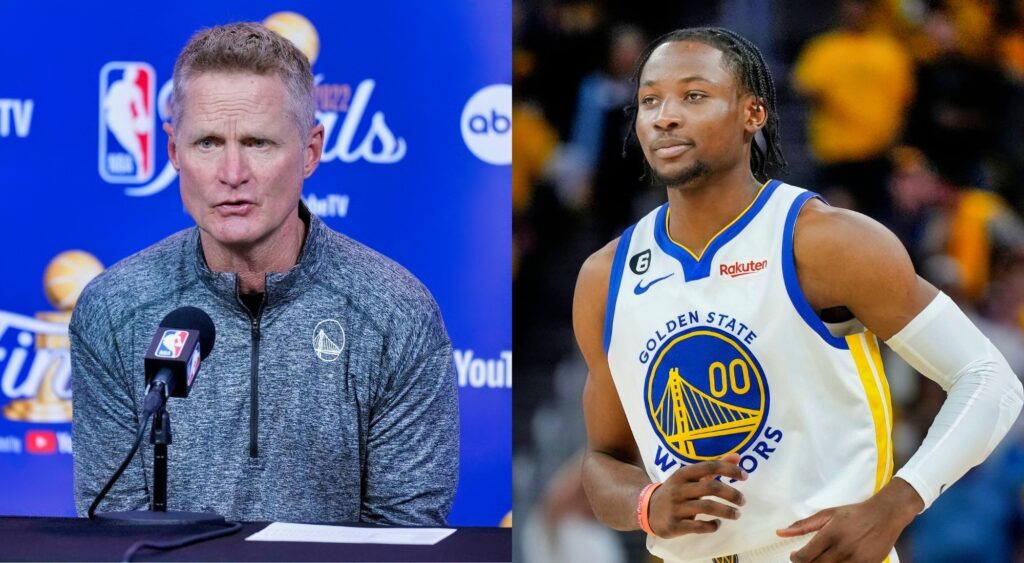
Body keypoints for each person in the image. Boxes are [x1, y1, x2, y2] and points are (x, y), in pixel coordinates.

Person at [572, 27, 1023, 563]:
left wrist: (898, 503)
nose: (665, 115)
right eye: (650, 99)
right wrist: (646, 503)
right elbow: (603, 461)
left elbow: (989, 380)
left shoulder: (827, 242)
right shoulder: (606, 277)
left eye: (694, 95)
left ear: (752, 114)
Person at [70, 22, 458, 525]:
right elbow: (112, 530)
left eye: (258, 143)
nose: (232, 173)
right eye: (208, 143)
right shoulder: (114, 310)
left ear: (311, 152)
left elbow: (406, 536)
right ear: (172, 152)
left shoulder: (396, 313)